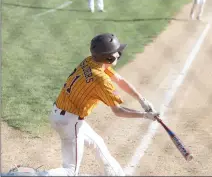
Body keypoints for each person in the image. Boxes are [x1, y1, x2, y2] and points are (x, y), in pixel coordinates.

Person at [43, 33, 160, 176]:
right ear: (109, 58)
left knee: (97, 143)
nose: (119, 53)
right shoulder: (101, 80)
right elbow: (118, 111)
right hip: (70, 121)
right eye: (117, 53)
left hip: (62, 114)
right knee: (70, 171)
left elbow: (119, 79)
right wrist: (145, 115)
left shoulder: (89, 61)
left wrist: (141, 100)